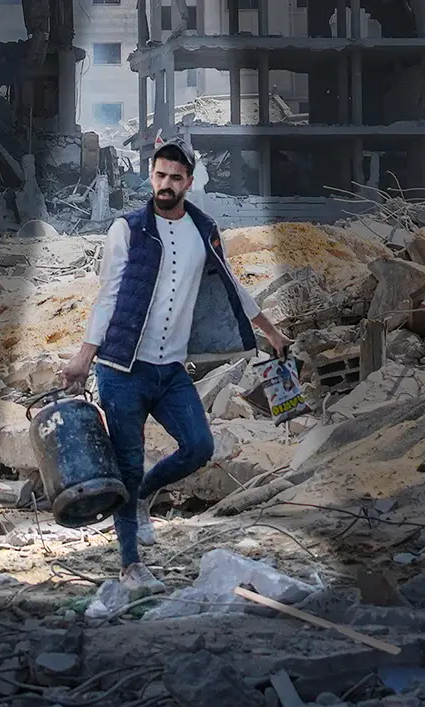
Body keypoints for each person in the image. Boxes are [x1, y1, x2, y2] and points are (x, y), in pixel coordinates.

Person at [59, 138, 291, 596]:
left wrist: (271, 331)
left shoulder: (203, 229)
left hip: (170, 371)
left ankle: (145, 494)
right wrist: (84, 355)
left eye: (176, 178)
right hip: (121, 369)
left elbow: (232, 285)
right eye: (160, 175)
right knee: (125, 463)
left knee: (199, 446)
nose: (166, 185)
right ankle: (130, 565)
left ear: (189, 181)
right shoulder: (127, 229)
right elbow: (107, 295)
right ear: (151, 175)